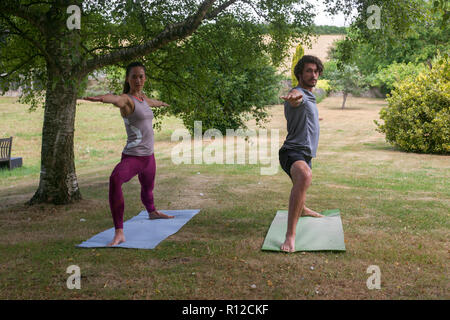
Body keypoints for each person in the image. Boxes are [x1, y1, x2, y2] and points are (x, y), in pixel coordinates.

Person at [83, 61, 174, 246]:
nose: (138, 80)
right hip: (133, 157)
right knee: (115, 180)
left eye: (141, 76)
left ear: (145, 78)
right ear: (128, 79)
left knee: (148, 189)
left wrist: (162, 103)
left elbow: (151, 103)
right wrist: (101, 98)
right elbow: (115, 99)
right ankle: (119, 232)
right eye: (134, 76)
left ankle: (152, 212)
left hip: (149, 157)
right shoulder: (127, 99)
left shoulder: (143, 99)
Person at [279, 55, 325, 253]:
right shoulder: (298, 93)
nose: (313, 75)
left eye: (316, 71)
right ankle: (290, 236)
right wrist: (293, 99)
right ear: (299, 74)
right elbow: (295, 99)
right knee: (305, 176)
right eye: (309, 71)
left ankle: (303, 209)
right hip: (292, 151)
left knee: (302, 183)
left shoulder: (311, 96)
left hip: (305, 153)